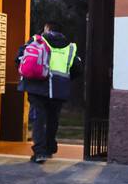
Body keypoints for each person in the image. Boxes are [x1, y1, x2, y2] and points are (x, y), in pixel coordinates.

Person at [16, 22, 82, 163]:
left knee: (38, 120)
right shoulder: (70, 47)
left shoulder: (37, 40)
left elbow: (19, 58)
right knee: (53, 119)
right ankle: (50, 147)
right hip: (58, 88)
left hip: (37, 87)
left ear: (47, 29)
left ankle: (39, 152)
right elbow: (77, 69)